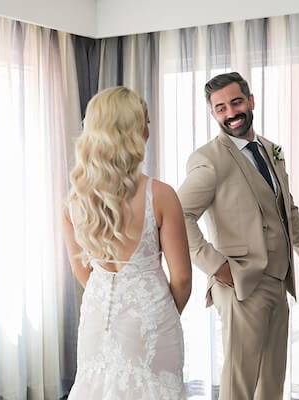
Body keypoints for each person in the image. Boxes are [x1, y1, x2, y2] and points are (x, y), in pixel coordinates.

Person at [178, 72, 299, 400]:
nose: (230, 113)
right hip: (240, 284)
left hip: (277, 279)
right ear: (212, 114)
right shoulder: (209, 160)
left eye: (236, 102)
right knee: (240, 382)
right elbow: (179, 216)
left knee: (272, 379)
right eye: (220, 108)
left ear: (251, 101)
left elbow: (286, 210)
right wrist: (217, 266)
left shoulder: (271, 150)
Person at [63, 86, 192, 399]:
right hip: (151, 322)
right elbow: (183, 277)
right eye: (145, 121)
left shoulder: (74, 200)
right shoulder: (160, 195)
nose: (149, 129)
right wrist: (156, 311)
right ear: (133, 132)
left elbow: (82, 272)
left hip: (96, 316)